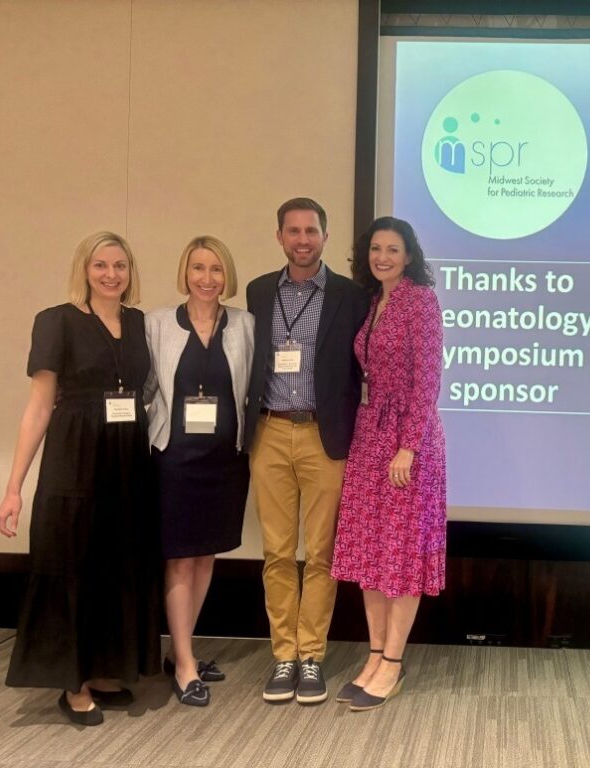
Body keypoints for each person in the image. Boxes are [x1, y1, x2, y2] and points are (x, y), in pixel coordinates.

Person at [0, 231, 161, 726]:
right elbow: (38, 408)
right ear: (83, 270)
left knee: (117, 563)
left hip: (127, 459)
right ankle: (75, 681)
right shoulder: (56, 321)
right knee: (73, 562)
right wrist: (13, 488)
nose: (111, 274)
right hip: (75, 456)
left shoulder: (138, 324)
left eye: (121, 266)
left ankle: (107, 667)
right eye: (101, 265)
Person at [244, 198, 369, 704]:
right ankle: (283, 656)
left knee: (320, 552)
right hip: (269, 432)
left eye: (311, 230)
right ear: (278, 236)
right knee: (276, 551)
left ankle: (311, 655)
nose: (302, 239)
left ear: (325, 235)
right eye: (292, 231)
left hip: (325, 434)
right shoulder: (256, 292)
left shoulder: (351, 296)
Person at [330, 216, 447, 712]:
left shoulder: (420, 301)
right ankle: (375, 654)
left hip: (407, 440)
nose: (382, 256)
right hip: (369, 432)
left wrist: (409, 446)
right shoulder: (374, 302)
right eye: (375, 248)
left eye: (392, 249)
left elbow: (427, 380)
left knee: (400, 555)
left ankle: (394, 664)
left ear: (409, 254)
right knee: (371, 553)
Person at [144, 236, 254, 707]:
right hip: (175, 460)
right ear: (184, 273)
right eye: (198, 268)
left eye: (215, 269)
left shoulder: (246, 325)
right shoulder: (157, 324)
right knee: (179, 557)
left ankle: (182, 650)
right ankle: (184, 662)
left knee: (207, 556)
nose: (207, 278)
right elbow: (146, 388)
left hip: (225, 462)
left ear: (226, 275)